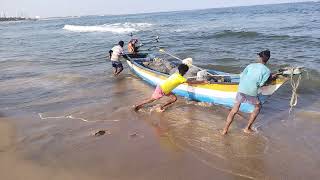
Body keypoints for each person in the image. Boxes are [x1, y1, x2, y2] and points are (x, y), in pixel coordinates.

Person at [222, 50, 275, 135]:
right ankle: (247, 128)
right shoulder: (267, 71)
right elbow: (261, 84)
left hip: (241, 89)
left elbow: (242, 75)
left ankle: (225, 130)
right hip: (251, 91)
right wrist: (271, 78)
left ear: (259, 57)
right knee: (258, 107)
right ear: (268, 59)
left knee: (234, 110)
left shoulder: (250, 65)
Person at [134, 64, 207, 112]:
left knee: (174, 98)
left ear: (178, 70)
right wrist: (203, 82)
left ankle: (161, 107)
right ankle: (138, 106)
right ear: (186, 71)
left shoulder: (176, 74)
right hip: (161, 90)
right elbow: (191, 82)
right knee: (151, 100)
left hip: (163, 88)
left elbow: (185, 80)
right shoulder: (181, 79)